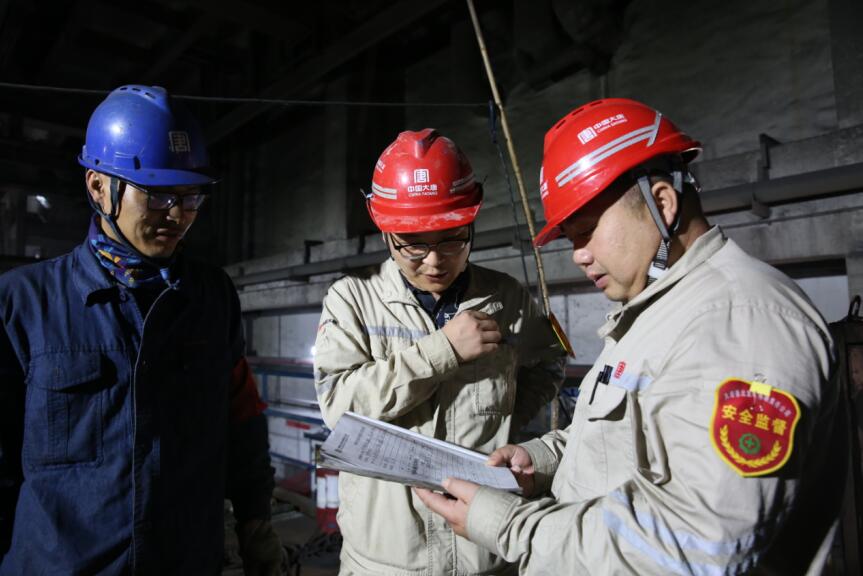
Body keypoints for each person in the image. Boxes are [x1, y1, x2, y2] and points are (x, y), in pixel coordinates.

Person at [417, 98, 847, 574]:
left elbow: (698, 546)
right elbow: (622, 444)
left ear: (662, 203)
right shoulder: (657, 311)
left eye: (586, 231)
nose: (578, 255)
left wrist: (511, 525)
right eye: (571, 239)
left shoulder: (739, 322)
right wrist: (540, 459)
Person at [0, 85, 283, 575]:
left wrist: (255, 523)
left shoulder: (212, 297)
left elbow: (242, 420)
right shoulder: (22, 304)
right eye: (157, 194)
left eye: (191, 196)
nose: (177, 215)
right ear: (98, 187)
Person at [313, 128, 566, 576]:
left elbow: (547, 364)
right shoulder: (351, 300)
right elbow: (339, 408)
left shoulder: (507, 298)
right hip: (384, 563)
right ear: (385, 231)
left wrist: (507, 427)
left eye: (452, 238)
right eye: (413, 243)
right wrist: (442, 350)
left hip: (486, 553)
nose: (434, 261)